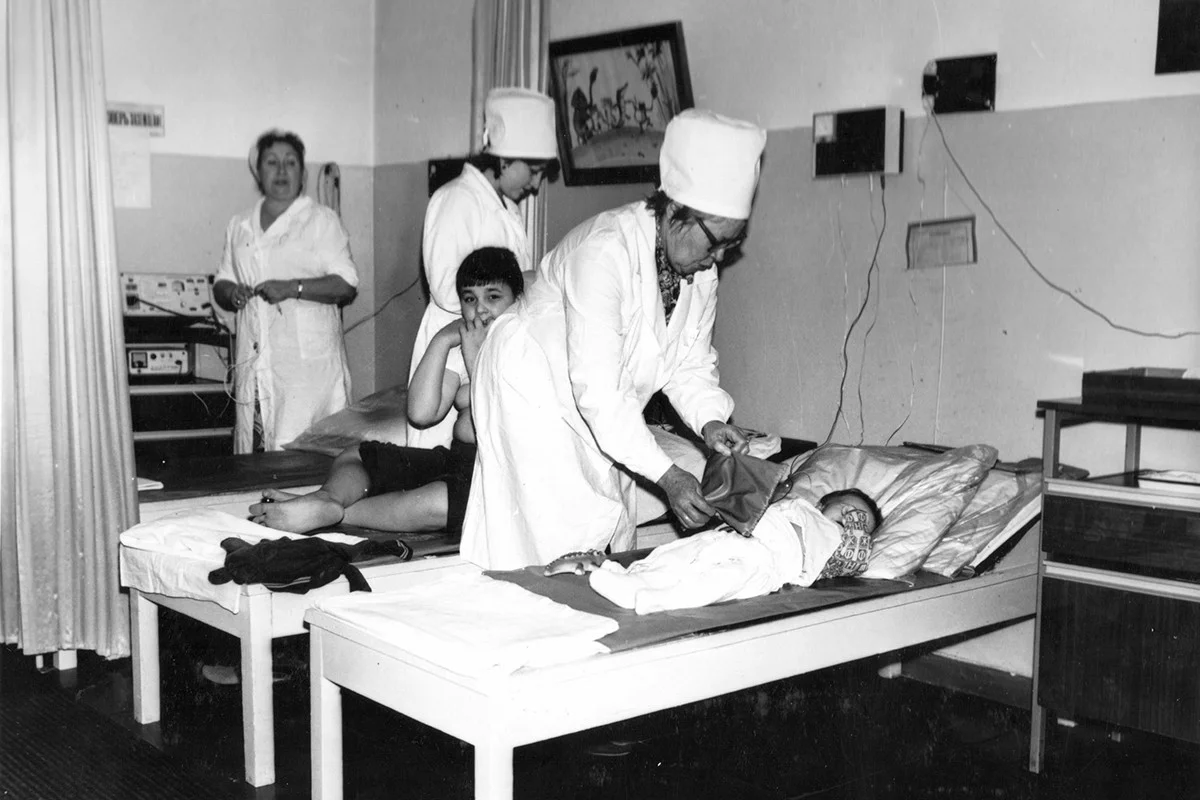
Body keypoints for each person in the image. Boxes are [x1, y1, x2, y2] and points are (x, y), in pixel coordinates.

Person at [462, 108, 769, 570]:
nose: (720, 258)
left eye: (732, 244)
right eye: (715, 242)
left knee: (606, 534)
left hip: (594, 400)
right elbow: (601, 393)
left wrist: (710, 419)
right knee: (546, 543)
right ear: (676, 213)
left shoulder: (699, 272)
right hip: (530, 390)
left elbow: (689, 362)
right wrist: (669, 476)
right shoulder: (605, 251)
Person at [249, 247, 523, 535]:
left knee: (440, 503)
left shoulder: (525, 347)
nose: (480, 309)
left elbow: (501, 425)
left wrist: (475, 359)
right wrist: (442, 339)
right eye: (470, 299)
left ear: (517, 300)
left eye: (493, 297)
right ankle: (326, 499)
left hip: (495, 473)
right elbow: (421, 413)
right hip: (457, 461)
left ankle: (333, 513)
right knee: (359, 454)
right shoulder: (467, 340)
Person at [406, 87, 557, 450]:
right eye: (533, 171)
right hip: (454, 341)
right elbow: (448, 290)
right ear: (504, 160)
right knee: (440, 453)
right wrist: (527, 282)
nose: (536, 184)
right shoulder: (455, 199)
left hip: (491, 341)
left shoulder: (505, 206)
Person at [213, 129, 358, 453]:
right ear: (258, 172)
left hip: (307, 376)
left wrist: (294, 288)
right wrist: (231, 292)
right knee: (254, 459)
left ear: (302, 173)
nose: (281, 170)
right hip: (254, 367)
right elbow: (222, 280)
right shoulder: (240, 225)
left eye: (290, 162)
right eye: (272, 162)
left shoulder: (321, 221)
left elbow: (347, 284)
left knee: (304, 461)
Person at [546, 489, 883, 615]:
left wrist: (854, 526)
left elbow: (854, 557)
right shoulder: (799, 506)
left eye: (860, 523)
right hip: (729, 537)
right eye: (846, 510)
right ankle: (627, 578)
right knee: (677, 555)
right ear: (822, 504)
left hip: (767, 563)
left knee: (724, 579)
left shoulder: (837, 546)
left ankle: (660, 599)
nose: (852, 520)